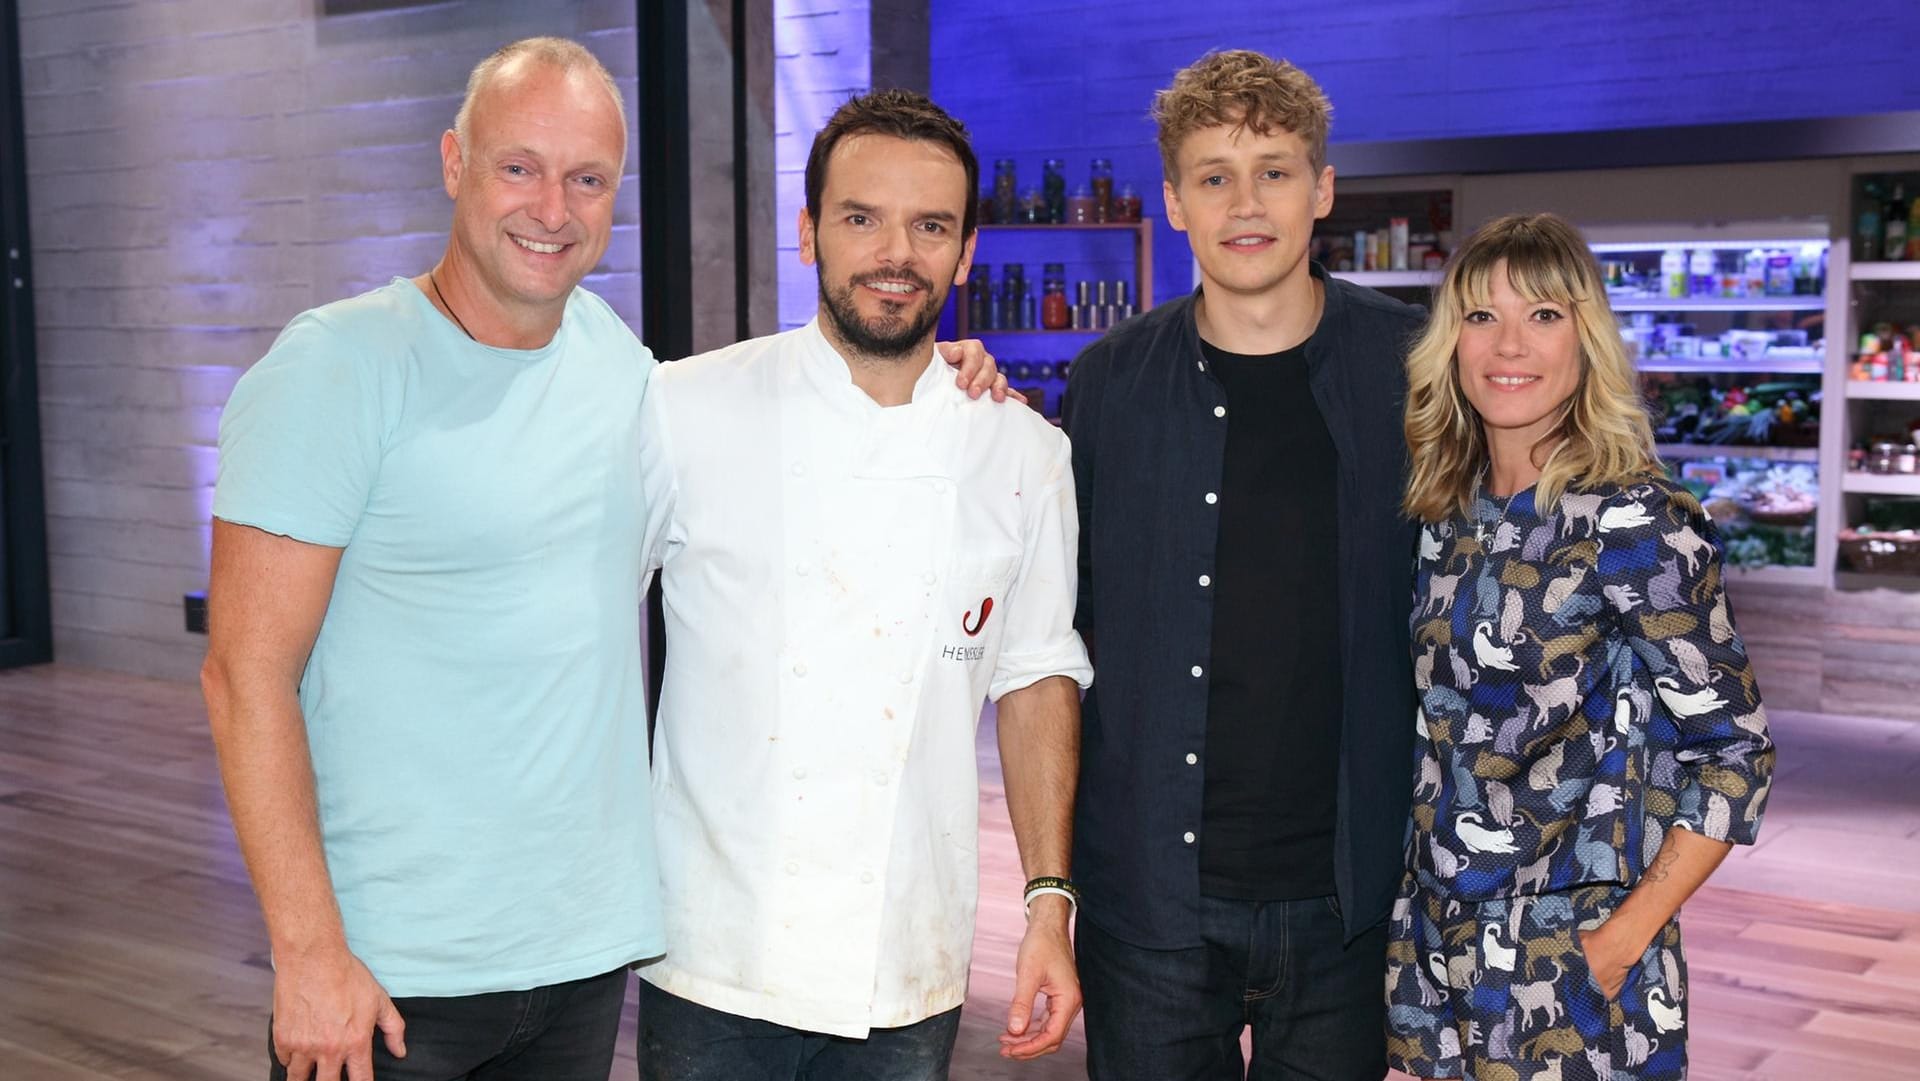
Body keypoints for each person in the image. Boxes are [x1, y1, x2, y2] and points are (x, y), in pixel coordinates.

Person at [203, 40, 1006, 1081]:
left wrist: (916, 371)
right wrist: (308, 951)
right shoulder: (336, 365)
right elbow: (242, 674)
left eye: (587, 179)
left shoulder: (622, 370)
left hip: (582, 961)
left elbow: (768, 414)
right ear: (455, 163)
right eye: (519, 166)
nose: (552, 207)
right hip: (392, 968)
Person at [633, 89, 1090, 1081]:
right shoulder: (684, 408)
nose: (896, 254)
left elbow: (1037, 677)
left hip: (909, 956)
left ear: (966, 253)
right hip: (713, 951)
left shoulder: (1022, 451)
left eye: (930, 226)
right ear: (809, 234)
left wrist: (1049, 901)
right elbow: (574, 623)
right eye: (860, 218)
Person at [1062, 50, 1424, 1080]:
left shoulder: (1416, 368)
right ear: (1174, 201)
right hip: (1151, 907)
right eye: (1214, 174)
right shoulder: (1107, 386)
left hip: (1350, 899)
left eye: (1274, 168)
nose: (1246, 201)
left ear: (1323, 189)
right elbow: (1058, 622)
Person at [1387, 212, 1776, 1081]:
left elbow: (1736, 751)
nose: (1508, 345)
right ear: (1451, 343)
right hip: (1434, 955)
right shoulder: (1444, 511)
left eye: (1544, 315)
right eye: (1481, 317)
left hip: (1577, 959)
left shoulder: (1635, 518)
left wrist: (1616, 942)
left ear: (1586, 339)